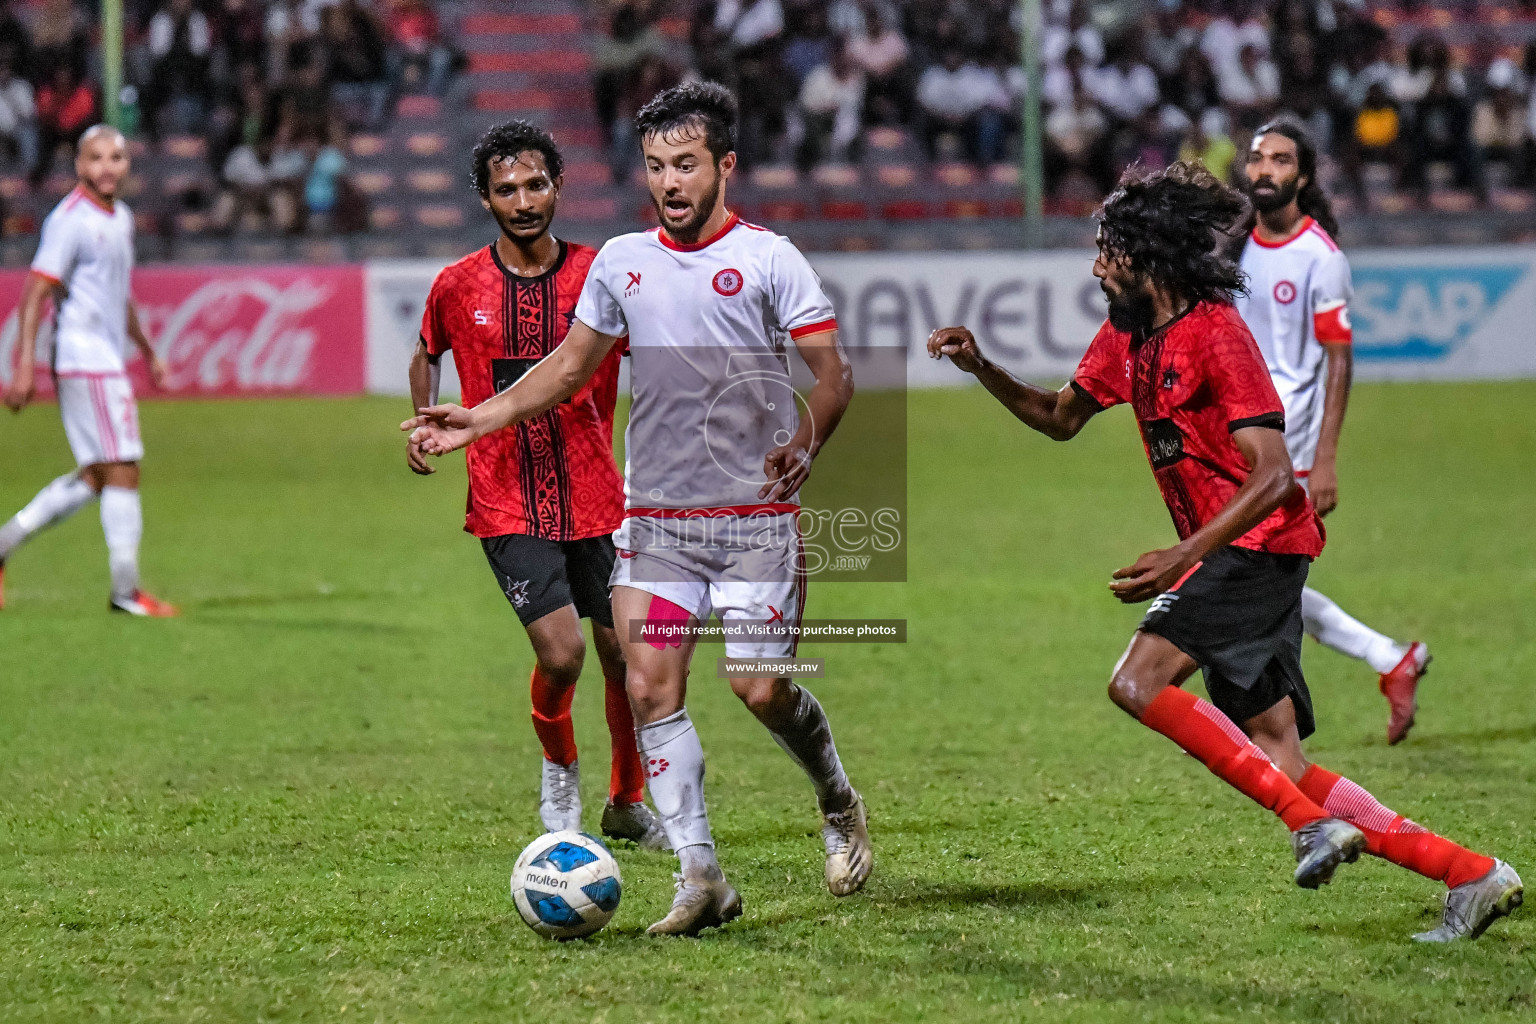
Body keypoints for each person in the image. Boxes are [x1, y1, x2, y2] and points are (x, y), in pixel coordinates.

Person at [926, 161, 1521, 943]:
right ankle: (1472, 873)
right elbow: (1059, 416)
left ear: (1145, 256)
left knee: (1137, 682)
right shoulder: (1127, 334)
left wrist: (1183, 557)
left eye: (1107, 250)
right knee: (1285, 758)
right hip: (1238, 553)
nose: (1096, 265)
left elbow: (1275, 478)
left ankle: (1306, 828)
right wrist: (981, 369)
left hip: (1257, 547)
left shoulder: (1215, 334)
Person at [405, 82, 871, 936]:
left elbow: (833, 373)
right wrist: (478, 418)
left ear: (725, 167)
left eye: (686, 164)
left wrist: (806, 442)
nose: (670, 182)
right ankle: (702, 878)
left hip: (753, 523)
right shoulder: (623, 260)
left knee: (761, 690)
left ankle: (837, 797)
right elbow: (569, 368)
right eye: (656, 167)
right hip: (656, 521)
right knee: (651, 686)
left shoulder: (772, 259)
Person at [406, 120, 665, 851]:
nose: (523, 200)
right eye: (506, 189)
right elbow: (426, 352)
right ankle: (560, 774)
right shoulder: (457, 285)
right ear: (484, 199)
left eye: (535, 184)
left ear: (558, 185)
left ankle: (626, 802)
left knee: (624, 658)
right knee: (562, 655)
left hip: (595, 493)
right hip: (505, 495)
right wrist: (424, 418)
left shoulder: (600, 275)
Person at [1236, 119, 1429, 745]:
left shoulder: (1321, 258)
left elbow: (1338, 358)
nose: (1265, 169)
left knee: (1236, 576)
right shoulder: (1234, 245)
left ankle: (1249, 717)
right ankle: (1391, 657)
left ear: (1304, 175)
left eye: (1281, 159)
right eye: (1258, 158)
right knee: (1259, 581)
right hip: (1239, 432)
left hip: (1287, 439)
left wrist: (1325, 460)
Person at [0, 126, 177, 618]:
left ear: (126, 165)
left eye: (116, 157)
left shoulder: (120, 217)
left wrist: (146, 350)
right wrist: (22, 366)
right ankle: (126, 591)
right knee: (124, 467)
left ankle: (2, 545)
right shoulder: (70, 220)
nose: (106, 167)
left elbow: (117, 297)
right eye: (96, 158)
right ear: (79, 165)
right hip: (85, 358)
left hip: (103, 356)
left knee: (97, 475)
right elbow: (35, 290)